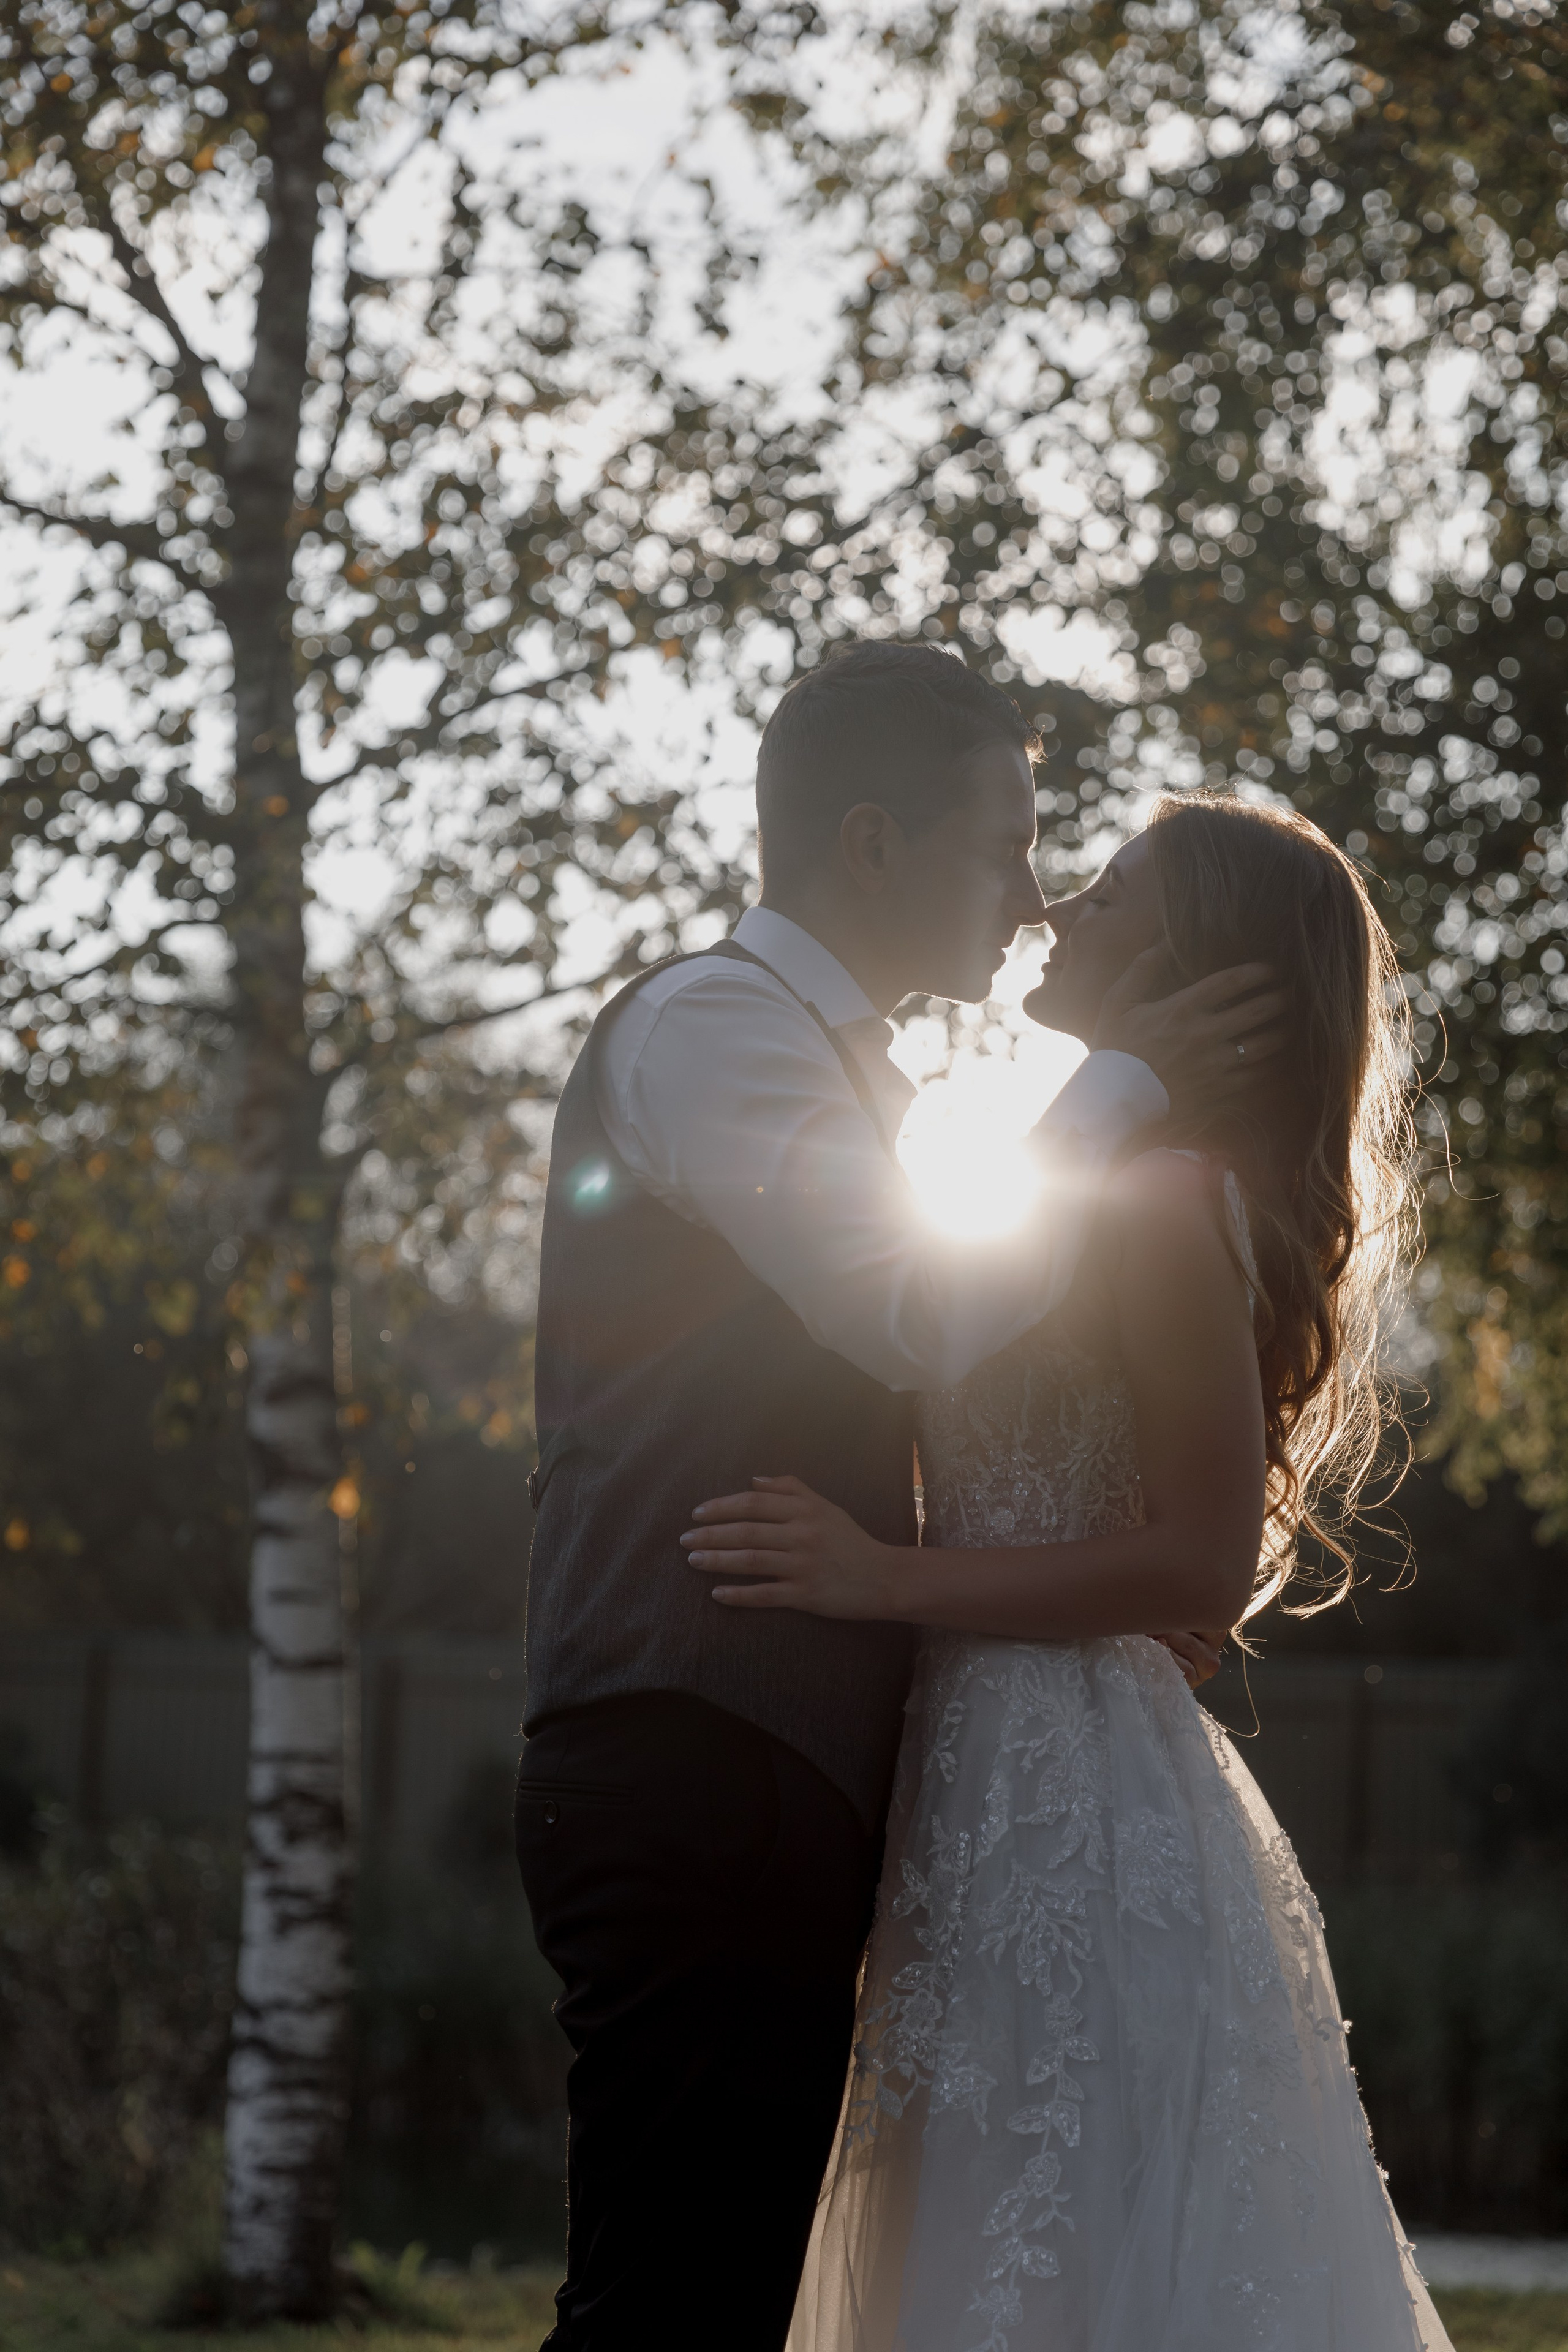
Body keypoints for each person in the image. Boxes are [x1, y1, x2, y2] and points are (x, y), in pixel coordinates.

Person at [516, 643, 1281, 2352]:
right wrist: (1123, 1086)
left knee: (708, 2299)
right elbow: (910, 1307)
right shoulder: (715, 1027)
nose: (1030, 897)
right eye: (1003, 845)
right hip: (689, 1741)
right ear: (871, 845)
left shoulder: (857, 1074)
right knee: (669, 2304)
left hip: (784, 1763)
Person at [683, 794, 1452, 2352]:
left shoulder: (1162, 1205)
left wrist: (878, 1579)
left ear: (1196, 969)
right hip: (983, 1767)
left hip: (1067, 1805)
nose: (1052, 915)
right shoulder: (1094, 1170)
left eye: (1104, 896)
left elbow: (1196, 1556)